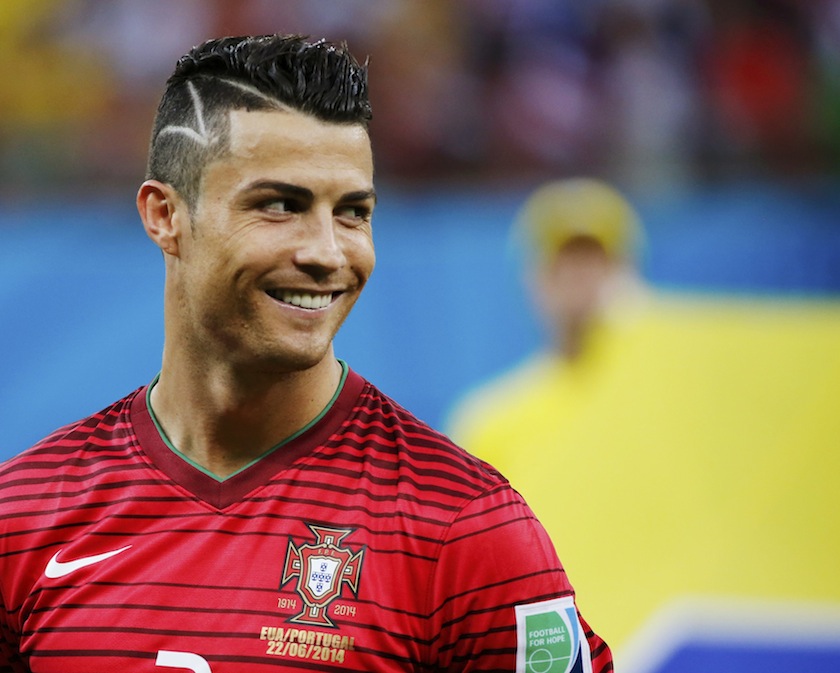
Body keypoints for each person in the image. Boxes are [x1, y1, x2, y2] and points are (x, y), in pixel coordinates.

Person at [0, 35, 612, 673]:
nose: (327, 253)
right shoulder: (21, 517)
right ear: (165, 215)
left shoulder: (462, 527)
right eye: (280, 205)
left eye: (352, 213)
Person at [445, 178, 840, 662]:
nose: (579, 278)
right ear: (534, 279)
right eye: (562, 262)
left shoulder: (685, 405)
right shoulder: (491, 421)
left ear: (629, 276)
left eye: (596, 261)